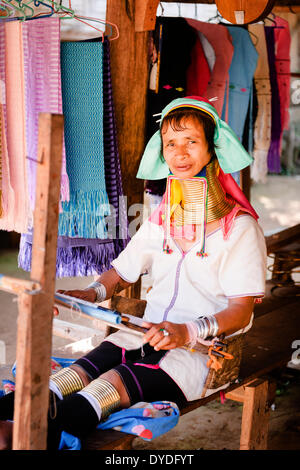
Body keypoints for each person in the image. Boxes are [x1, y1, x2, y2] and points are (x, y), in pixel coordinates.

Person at [0, 96, 267, 449]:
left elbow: (241, 309)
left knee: (106, 386)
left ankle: (28, 438)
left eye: (191, 141)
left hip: (200, 354)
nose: (180, 152)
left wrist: (186, 331)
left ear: (211, 149)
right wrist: (90, 293)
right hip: (141, 334)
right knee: (69, 377)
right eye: (171, 143)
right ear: (163, 153)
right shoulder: (160, 220)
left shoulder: (241, 229)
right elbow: (122, 272)